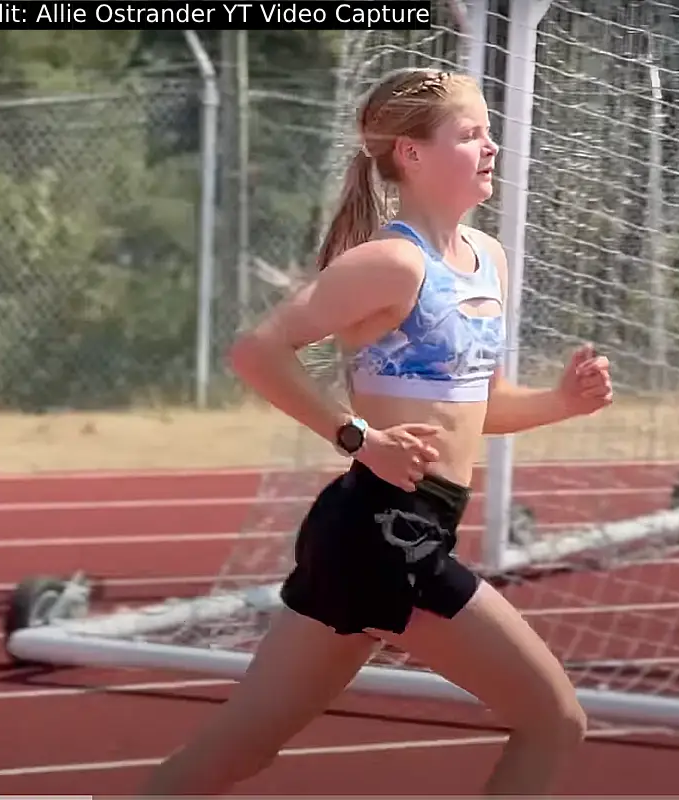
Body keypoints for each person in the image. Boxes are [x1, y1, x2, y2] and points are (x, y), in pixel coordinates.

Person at [139, 67, 614, 797]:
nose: (491, 146)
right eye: (469, 134)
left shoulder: (488, 257)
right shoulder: (389, 263)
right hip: (385, 532)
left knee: (242, 746)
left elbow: (480, 408)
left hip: (393, 530)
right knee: (555, 720)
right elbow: (255, 350)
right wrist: (357, 436)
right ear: (411, 154)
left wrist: (561, 402)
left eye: (489, 130)